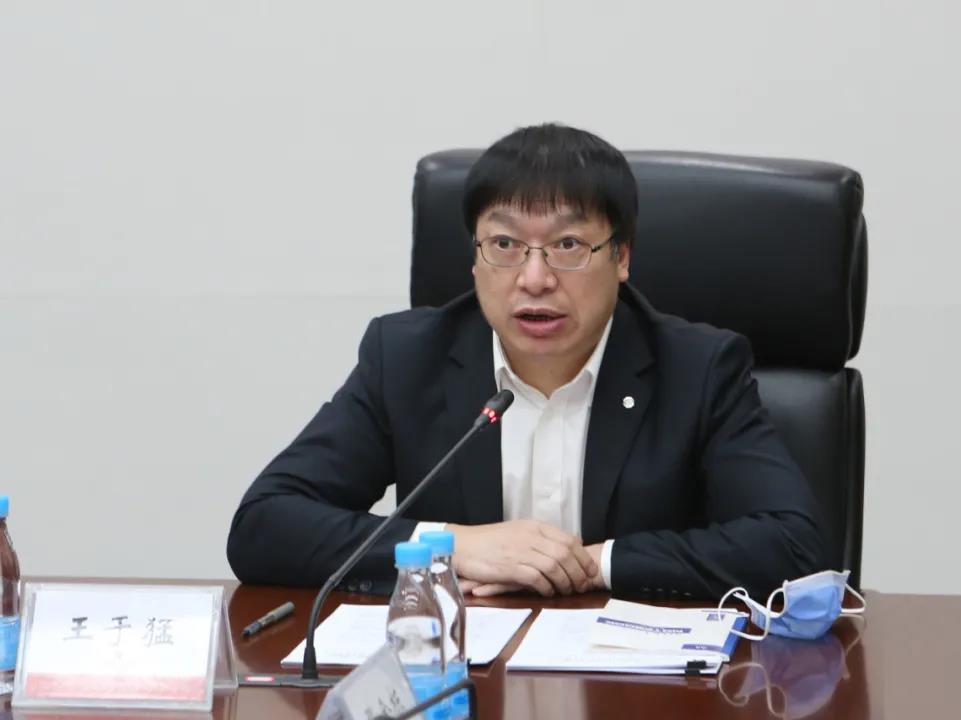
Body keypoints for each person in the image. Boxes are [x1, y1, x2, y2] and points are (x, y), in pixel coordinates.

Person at [226, 123, 824, 600]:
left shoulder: (698, 369)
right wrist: (456, 547)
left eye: (568, 245)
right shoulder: (407, 357)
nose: (534, 278)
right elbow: (265, 525)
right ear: (474, 257)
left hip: (638, 685)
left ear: (621, 257)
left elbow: (794, 545)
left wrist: (591, 565)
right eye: (505, 245)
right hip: (463, 680)